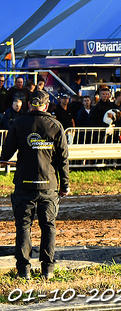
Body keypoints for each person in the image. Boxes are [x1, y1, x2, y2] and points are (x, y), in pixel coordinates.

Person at [0, 90, 70, 280]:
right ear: (46, 106)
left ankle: (24, 271)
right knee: (48, 226)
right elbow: (63, 159)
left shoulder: (19, 123)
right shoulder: (56, 125)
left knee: (23, 226)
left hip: (24, 184)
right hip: (48, 185)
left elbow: (5, 155)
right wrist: (65, 185)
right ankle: (47, 270)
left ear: (30, 104)